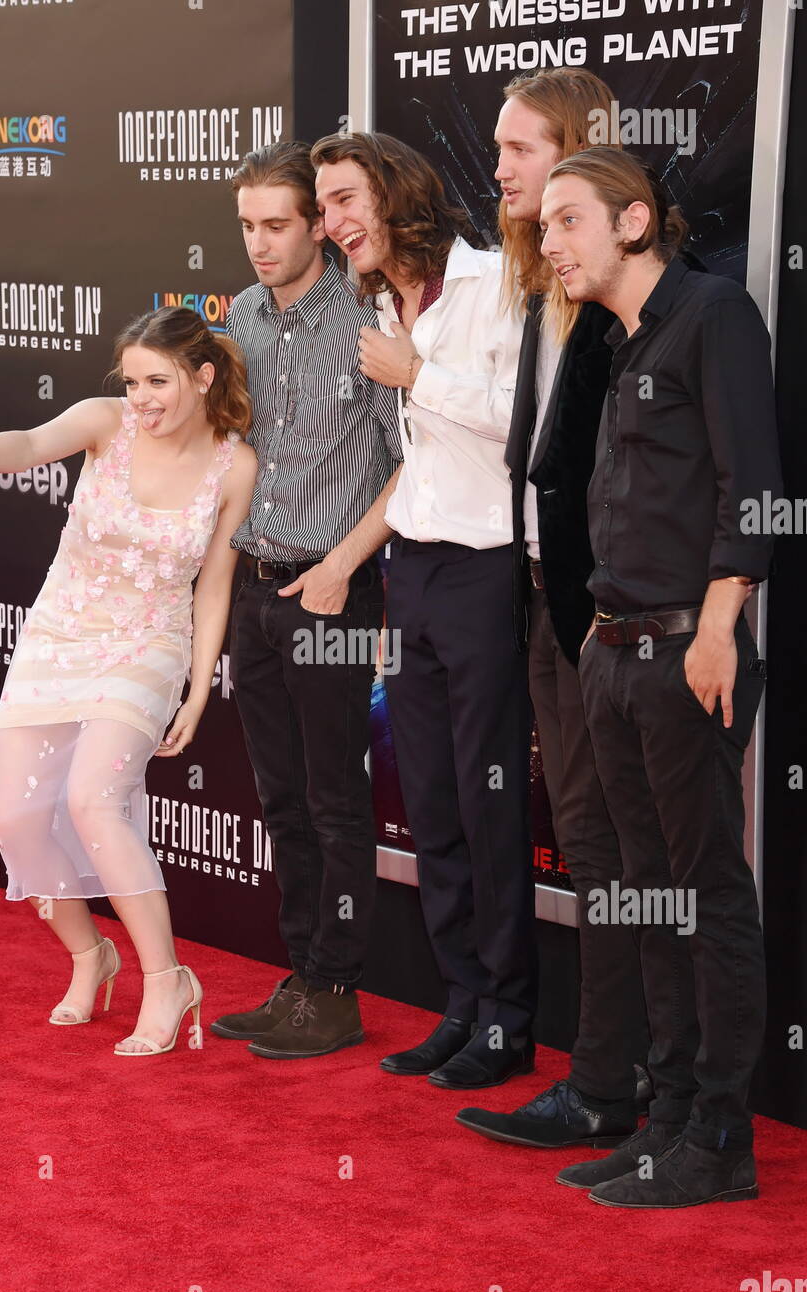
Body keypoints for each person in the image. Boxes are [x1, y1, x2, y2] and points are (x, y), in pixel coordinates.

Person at [539, 148, 781, 1207]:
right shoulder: (617, 335)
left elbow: (752, 484)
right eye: (543, 225)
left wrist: (720, 625)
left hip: (688, 651)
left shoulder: (713, 316)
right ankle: (669, 1120)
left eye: (565, 221)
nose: (546, 244)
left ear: (632, 222)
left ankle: (719, 1139)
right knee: (646, 898)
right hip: (612, 649)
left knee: (700, 896)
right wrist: (597, 638)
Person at [0, 308, 256, 1056]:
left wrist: (198, 690)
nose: (141, 397)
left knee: (93, 801)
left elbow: (212, 588)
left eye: (158, 381)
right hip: (59, 634)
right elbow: (32, 443)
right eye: (133, 380)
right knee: (16, 822)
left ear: (201, 379)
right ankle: (88, 954)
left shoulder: (236, 466)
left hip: (148, 646)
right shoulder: (106, 423)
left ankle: (167, 980)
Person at [311, 131, 536, 1089]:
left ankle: (511, 1022)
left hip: (489, 571)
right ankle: (461, 1003)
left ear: (397, 193)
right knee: (431, 801)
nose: (333, 224)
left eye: (345, 200)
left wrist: (416, 376)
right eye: (323, 208)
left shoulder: (497, 284)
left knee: (489, 804)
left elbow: (525, 420)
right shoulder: (383, 304)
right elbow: (422, 463)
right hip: (415, 572)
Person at [456, 69, 651, 1149]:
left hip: (606, 619)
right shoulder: (535, 285)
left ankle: (618, 1084)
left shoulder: (635, 298)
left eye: (520, 149)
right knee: (585, 843)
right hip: (538, 600)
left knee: (624, 857)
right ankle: (602, 1076)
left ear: (578, 151)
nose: (498, 170)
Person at [209, 141, 403, 1059]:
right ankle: (302, 977)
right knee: (282, 798)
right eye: (247, 225)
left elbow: (411, 464)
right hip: (253, 590)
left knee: (335, 799)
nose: (259, 242)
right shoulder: (241, 315)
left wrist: (342, 568)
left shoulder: (369, 315)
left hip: (331, 591)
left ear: (320, 224)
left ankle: (338, 984)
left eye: (277, 224)